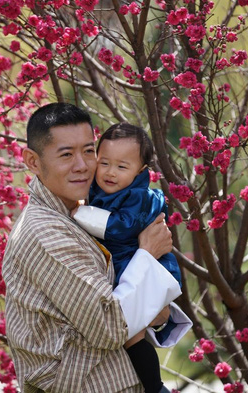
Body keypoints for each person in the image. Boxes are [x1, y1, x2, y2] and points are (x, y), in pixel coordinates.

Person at [2, 102, 183, 393]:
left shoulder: (82, 214)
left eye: (88, 151)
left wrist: (158, 309)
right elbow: (110, 326)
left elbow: (153, 314)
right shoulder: (45, 232)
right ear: (33, 162)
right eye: (66, 155)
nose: (83, 166)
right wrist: (147, 254)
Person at [73, 122, 184, 393]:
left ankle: (156, 387)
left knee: (131, 336)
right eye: (105, 163)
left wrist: (78, 214)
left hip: (148, 264)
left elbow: (121, 226)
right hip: (127, 263)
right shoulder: (101, 189)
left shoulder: (138, 197)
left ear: (141, 172)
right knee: (127, 332)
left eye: (122, 167)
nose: (111, 173)